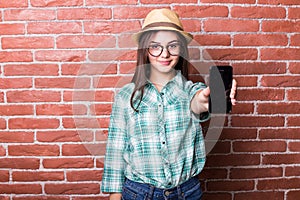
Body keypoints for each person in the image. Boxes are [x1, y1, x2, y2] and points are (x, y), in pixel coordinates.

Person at [101, 8, 237, 200]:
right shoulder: (125, 96)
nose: (164, 54)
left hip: (186, 192)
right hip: (138, 193)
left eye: (172, 46)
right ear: (145, 50)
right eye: (155, 46)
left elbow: (197, 102)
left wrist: (207, 99)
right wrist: (115, 197)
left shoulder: (190, 89)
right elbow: (115, 150)